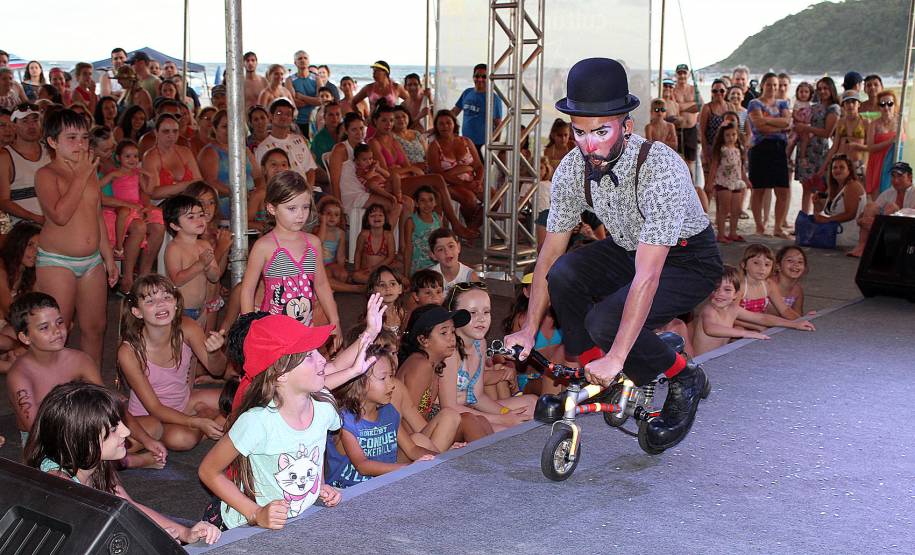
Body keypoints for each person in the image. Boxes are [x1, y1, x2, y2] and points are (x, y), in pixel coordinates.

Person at [505, 58, 721, 453]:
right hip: (628, 246)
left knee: (608, 319)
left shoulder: (660, 169)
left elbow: (648, 277)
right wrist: (527, 330)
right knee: (565, 274)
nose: (589, 145)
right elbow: (549, 255)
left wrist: (619, 354)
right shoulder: (572, 167)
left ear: (626, 127)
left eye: (601, 132)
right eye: (579, 132)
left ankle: (683, 375)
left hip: (688, 259)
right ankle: (593, 375)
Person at [197, 315, 352, 530]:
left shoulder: (324, 407)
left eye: (317, 351)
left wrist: (318, 486)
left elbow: (313, 450)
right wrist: (256, 513)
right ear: (280, 374)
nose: (322, 360)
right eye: (308, 356)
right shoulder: (257, 422)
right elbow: (208, 470)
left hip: (290, 523)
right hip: (243, 526)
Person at [25, 382, 221, 545]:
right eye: (112, 429)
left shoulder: (90, 461)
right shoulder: (61, 491)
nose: (126, 432)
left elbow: (127, 506)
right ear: (80, 439)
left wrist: (186, 533)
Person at [34, 109, 118, 364]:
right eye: (71, 138)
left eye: (84, 137)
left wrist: (109, 257)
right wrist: (81, 176)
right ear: (52, 142)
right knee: (56, 331)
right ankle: (53, 390)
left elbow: (97, 215)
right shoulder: (46, 175)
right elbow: (60, 215)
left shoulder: (88, 172)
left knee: (96, 327)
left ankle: (90, 388)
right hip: (57, 261)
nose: (80, 144)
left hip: (92, 261)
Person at [119, 274, 227, 451]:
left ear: (176, 304)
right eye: (150, 301)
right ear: (137, 312)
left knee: (243, 398)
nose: (161, 304)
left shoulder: (188, 327)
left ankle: (207, 416)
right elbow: (154, 408)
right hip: (150, 416)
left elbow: (217, 370)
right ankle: (210, 418)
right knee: (182, 439)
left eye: (167, 297)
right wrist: (196, 421)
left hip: (184, 402)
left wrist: (214, 353)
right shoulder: (129, 351)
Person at [239, 171, 341, 347]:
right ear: (272, 209)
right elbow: (247, 290)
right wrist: (250, 327)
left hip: (305, 327)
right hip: (272, 331)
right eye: (292, 208)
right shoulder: (264, 246)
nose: (301, 215)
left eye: (305, 207)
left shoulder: (313, 242)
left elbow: (322, 285)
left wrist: (335, 321)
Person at [326, 345, 437, 488]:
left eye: (391, 376)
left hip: (382, 486)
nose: (391, 384)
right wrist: (409, 468)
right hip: (348, 492)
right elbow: (362, 465)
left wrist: (442, 458)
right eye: (383, 377)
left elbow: (411, 449)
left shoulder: (389, 412)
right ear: (359, 382)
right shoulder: (344, 420)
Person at [441, 283, 536, 431]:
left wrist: (507, 414)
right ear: (453, 314)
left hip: (471, 409)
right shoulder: (449, 351)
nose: (481, 319)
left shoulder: (480, 343)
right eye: (472, 313)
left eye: (486, 312)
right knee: (503, 431)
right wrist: (502, 419)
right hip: (451, 418)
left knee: (533, 404)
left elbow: (477, 396)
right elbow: (449, 406)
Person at [691, 265, 814, 356]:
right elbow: (710, 328)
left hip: (717, 358)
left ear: (736, 294)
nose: (720, 294)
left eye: (727, 290)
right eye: (715, 289)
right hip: (702, 362)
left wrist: (794, 324)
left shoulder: (733, 309)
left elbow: (762, 318)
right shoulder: (709, 310)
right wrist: (746, 333)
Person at [99, 139, 163, 293]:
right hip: (122, 205)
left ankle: (144, 274)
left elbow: (147, 190)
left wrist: (149, 175)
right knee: (127, 215)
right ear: (118, 157)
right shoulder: (115, 173)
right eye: (127, 156)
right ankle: (120, 247)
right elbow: (97, 186)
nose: (132, 160)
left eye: (135, 156)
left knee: (157, 217)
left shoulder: (136, 174)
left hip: (136, 204)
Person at [747, 73, 792, 237]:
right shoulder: (754, 103)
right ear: (762, 85)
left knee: (782, 190)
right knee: (759, 188)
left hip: (779, 148)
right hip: (760, 148)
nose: (773, 88)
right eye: (769, 84)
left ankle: (778, 227)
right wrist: (779, 125)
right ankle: (759, 226)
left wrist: (768, 120)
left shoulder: (782, 103)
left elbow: (788, 121)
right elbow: (759, 126)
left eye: (776, 85)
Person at [163, 195, 220, 323]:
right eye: (191, 217)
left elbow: (215, 277)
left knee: (198, 341)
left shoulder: (204, 245)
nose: (199, 220)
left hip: (200, 308)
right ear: (175, 226)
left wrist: (208, 268)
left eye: (201, 215)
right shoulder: (174, 248)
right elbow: (177, 280)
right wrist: (200, 264)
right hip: (181, 310)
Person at [198, 109, 263, 219]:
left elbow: (257, 175)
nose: (230, 130)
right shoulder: (209, 152)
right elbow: (210, 182)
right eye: (224, 126)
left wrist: (257, 193)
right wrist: (238, 194)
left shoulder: (244, 149)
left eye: (233, 125)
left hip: (250, 201)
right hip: (226, 203)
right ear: (215, 128)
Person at [427, 110, 484, 225]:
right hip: (447, 183)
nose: (445, 126)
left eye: (448, 123)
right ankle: (470, 230)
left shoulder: (466, 141)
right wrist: (465, 183)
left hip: (471, 180)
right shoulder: (434, 146)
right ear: (436, 127)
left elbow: (478, 166)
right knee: (470, 200)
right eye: (441, 124)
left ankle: (471, 228)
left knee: (495, 198)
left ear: (454, 124)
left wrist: (478, 182)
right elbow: (438, 174)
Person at [795, 77, 840, 214]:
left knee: (818, 188)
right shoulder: (813, 106)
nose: (822, 91)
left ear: (832, 89)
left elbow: (827, 133)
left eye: (825, 88)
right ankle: (804, 218)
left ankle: (816, 218)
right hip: (805, 148)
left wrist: (806, 128)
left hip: (819, 150)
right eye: (819, 88)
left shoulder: (834, 108)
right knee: (806, 188)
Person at [852, 161, 915, 257]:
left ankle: (876, 247)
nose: (896, 180)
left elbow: (910, 218)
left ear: (910, 177)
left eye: (900, 176)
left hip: (908, 232)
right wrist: (862, 221)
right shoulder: (888, 193)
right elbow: (868, 212)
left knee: (892, 207)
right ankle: (862, 246)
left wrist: (877, 222)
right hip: (887, 228)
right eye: (893, 176)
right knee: (870, 206)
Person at [0, 104, 49, 224]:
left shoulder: (52, 152)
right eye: (25, 121)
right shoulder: (5, 157)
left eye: (35, 120)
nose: (31, 125)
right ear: (14, 126)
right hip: (23, 228)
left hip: (54, 223)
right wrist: (34, 217)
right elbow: (3, 201)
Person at [254, 98, 318, 188]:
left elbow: (310, 170)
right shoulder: (263, 147)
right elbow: (261, 179)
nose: (284, 117)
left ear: (292, 118)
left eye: (288, 114)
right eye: (279, 113)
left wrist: (309, 189)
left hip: (306, 190)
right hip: (282, 194)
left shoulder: (299, 140)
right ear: (271, 116)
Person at [142, 113, 202, 201]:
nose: (171, 135)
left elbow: (199, 181)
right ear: (156, 132)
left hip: (188, 202)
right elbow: (154, 193)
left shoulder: (185, 151)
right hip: (163, 205)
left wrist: (173, 188)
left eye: (175, 131)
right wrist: (186, 185)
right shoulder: (150, 157)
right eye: (166, 131)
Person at [814, 154, 866, 249]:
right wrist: (817, 203)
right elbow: (826, 212)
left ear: (849, 170)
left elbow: (851, 214)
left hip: (847, 235)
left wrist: (827, 220)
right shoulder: (834, 187)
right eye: (834, 168)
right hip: (836, 232)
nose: (837, 170)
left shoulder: (852, 186)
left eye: (841, 167)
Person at [708, 123, 749, 242]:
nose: (731, 137)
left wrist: (746, 180)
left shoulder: (738, 150)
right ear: (722, 136)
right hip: (723, 182)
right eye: (727, 135)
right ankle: (721, 234)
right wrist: (710, 182)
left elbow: (740, 167)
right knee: (723, 209)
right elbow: (714, 166)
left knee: (736, 210)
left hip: (736, 182)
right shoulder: (721, 150)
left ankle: (732, 233)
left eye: (733, 134)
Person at [451, 64, 503, 154]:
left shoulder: (494, 99)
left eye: (484, 77)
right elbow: (454, 112)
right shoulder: (467, 93)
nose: (480, 79)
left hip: (483, 145)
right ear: (473, 77)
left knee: (481, 168)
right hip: (465, 142)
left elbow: (498, 125)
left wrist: (495, 149)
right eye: (477, 76)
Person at [858, 90, 900, 198]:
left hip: (895, 163)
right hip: (878, 165)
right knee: (879, 199)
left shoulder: (900, 122)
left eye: (890, 103)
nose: (886, 107)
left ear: (895, 104)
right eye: (882, 104)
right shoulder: (874, 124)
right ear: (878, 107)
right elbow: (870, 148)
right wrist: (889, 142)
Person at [314, 196, 361, 293]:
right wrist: (323, 223)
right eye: (328, 214)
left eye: (336, 215)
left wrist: (340, 269)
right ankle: (354, 289)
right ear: (321, 215)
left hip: (331, 264)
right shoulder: (317, 230)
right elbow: (318, 243)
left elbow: (341, 255)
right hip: (317, 266)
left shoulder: (340, 233)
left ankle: (332, 286)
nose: (332, 217)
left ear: (340, 218)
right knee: (321, 277)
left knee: (343, 274)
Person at [821, 91, 867, 181]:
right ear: (843, 105)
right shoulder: (840, 122)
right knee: (838, 190)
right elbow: (834, 146)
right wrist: (824, 166)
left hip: (857, 162)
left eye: (853, 102)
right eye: (847, 102)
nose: (850, 105)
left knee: (860, 189)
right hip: (840, 162)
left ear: (859, 104)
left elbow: (870, 146)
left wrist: (857, 147)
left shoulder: (865, 122)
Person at [0, 221, 39, 324]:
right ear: (17, 243)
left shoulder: (29, 274)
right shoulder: (1, 267)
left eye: (39, 247)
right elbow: (7, 308)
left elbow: (39, 304)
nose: (36, 252)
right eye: (30, 245)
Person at [672, 64, 702, 186]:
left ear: (688, 74)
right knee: (677, 160)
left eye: (684, 73)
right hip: (678, 130)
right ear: (676, 75)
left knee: (691, 160)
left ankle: (692, 185)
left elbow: (700, 105)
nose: (682, 75)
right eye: (680, 73)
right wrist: (691, 105)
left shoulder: (693, 89)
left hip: (691, 129)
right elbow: (674, 109)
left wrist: (682, 107)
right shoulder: (673, 91)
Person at [428, 228, 479, 295]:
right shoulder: (428, 276)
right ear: (433, 255)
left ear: (458, 247)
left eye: (451, 246)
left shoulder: (470, 277)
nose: (447, 252)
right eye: (440, 249)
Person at [404, 186, 442, 275]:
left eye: (430, 200)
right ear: (416, 203)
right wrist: (406, 275)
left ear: (435, 202)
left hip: (436, 263)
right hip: (419, 266)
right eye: (422, 200)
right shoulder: (411, 222)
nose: (427, 204)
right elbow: (408, 249)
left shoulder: (438, 218)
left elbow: (441, 243)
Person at [355, 205, 397, 283]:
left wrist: (374, 268)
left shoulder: (388, 235)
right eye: (372, 215)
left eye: (380, 215)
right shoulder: (364, 234)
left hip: (382, 270)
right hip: (366, 271)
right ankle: (379, 283)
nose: (377, 217)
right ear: (367, 220)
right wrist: (357, 270)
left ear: (385, 219)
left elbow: (391, 256)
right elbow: (358, 252)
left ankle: (375, 284)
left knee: (398, 270)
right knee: (356, 276)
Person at [285, 50, 321, 138]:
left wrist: (301, 96)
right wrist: (312, 100)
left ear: (308, 61)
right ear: (295, 62)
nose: (303, 60)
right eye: (300, 58)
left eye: (305, 58)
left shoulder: (316, 78)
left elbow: (320, 101)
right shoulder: (289, 80)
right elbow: (294, 103)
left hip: (314, 120)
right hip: (297, 121)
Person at [767, 246, 809, 318]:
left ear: (804, 268)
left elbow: (798, 316)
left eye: (800, 262)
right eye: (790, 260)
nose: (796, 264)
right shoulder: (768, 284)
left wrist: (808, 318)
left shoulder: (797, 291)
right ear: (778, 266)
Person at [367, 266, 407, 336]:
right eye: (382, 285)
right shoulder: (371, 317)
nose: (388, 288)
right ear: (373, 290)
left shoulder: (402, 312)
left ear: (400, 289)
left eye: (392, 284)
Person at [787, 82, 814, 177]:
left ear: (810, 94)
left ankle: (802, 157)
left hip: (805, 128)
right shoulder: (797, 103)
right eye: (801, 91)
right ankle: (787, 157)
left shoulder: (810, 105)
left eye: (806, 92)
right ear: (797, 93)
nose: (803, 94)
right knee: (791, 141)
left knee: (805, 141)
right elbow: (794, 114)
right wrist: (800, 119)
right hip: (796, 127)